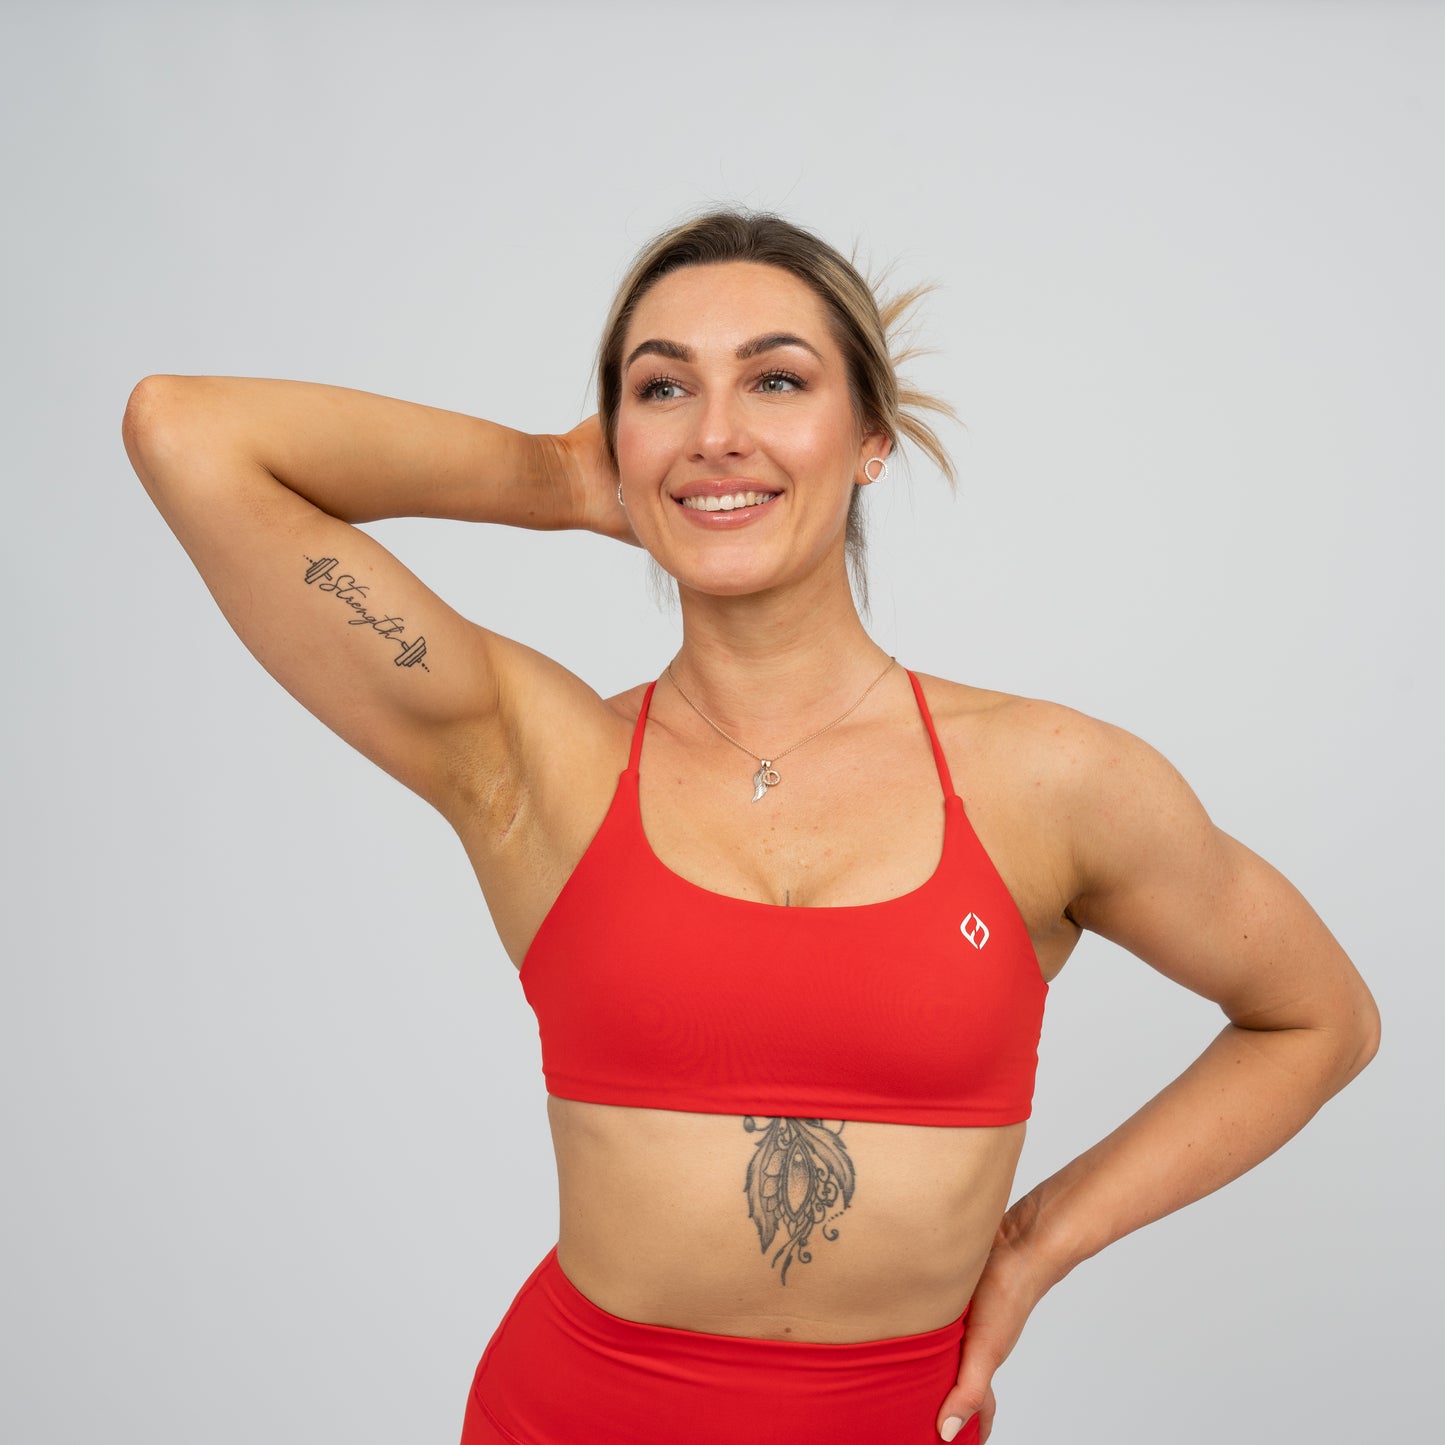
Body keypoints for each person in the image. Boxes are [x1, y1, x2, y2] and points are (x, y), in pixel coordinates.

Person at [121, 210, 1380, 1444]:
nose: (715, 432)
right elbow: (187, 430)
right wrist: (554, 477)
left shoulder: (1046, 778)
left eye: (774, 379)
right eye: (662, 389)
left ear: (871, 435)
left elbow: (1316, 1016)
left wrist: (1034, 1242)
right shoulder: (535, 763)